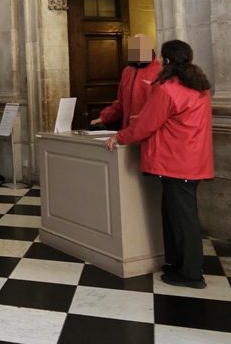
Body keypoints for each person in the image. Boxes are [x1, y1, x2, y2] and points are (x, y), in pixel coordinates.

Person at [104, 40, 213, 289]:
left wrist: (119, 136)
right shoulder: (199, 86)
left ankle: (191, 273)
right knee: (175, 215)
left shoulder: (168, 88)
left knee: (183, 219)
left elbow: (146, 123)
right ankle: (176, 263)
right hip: (192, 159)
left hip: (175, 160)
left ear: (165, 60)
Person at [91, 33, 161, 131]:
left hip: (149, 130)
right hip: (128, 130)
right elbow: (121, 103)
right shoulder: (127, 71)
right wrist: (104, 118)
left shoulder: (160, 71)